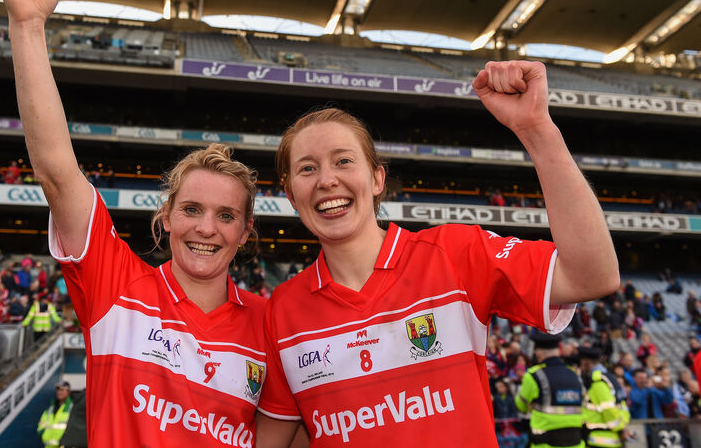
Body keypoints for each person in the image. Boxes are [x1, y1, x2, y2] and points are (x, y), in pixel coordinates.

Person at [256, 59, 619, 446]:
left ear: (377, 178)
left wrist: (537, 130)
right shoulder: (281, 310)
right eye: (307, 168)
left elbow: (593, 276)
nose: (328, 180)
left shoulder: (455, 253)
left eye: (343, 161)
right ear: (291, 193)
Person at [0, 0, 266, 447]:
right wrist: (27, 24)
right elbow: (56, 172)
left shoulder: (272, 324)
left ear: (246, 232)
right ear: (165, 218)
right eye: (191, 209)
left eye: (226, 215)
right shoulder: (115, 284)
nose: (207, 228)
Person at [514, 332, 584, 448]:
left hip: (545, 444)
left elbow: (522, 406)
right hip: (575, 443)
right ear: (559, 350)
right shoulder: (573, 374)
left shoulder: (533, 376)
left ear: (537, 353)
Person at [578, 346, 629, 448]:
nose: (580, 367)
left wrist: (620, 429)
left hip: (600, 440)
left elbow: (609, 411)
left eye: (581, 363)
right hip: (610, 439)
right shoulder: (609, 377)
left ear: (586, 362)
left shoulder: (598, 382)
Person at [38, 381, 73, 447]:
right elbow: (41, 425)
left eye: (62, 390)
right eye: (58, 389)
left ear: (68, 392)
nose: (59, 392)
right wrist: (42, 433)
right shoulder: (50, 409)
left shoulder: (72, 408)